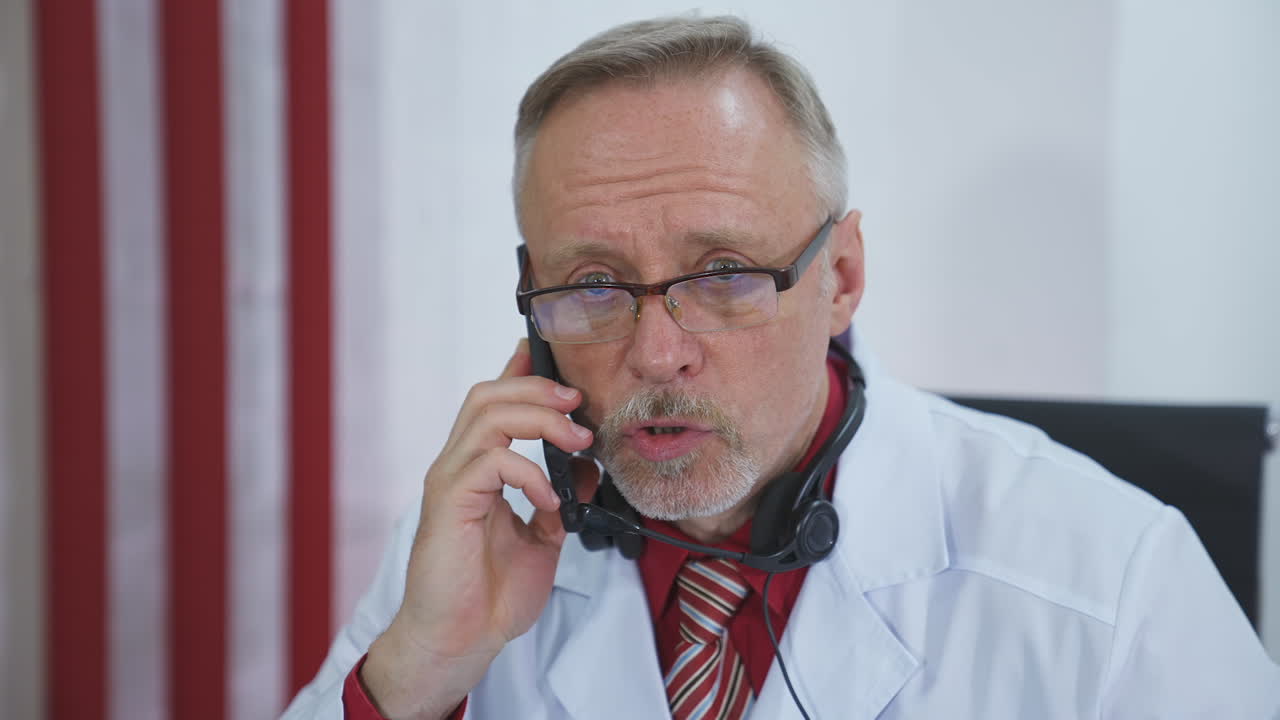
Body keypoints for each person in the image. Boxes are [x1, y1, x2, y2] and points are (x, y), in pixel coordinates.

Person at [283, 15, 1280, 720]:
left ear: (840, 276)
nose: (655, 352)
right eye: (592, 284)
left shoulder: (1108, 586)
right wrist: (415, 676)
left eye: (722, 273)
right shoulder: (474, 537)